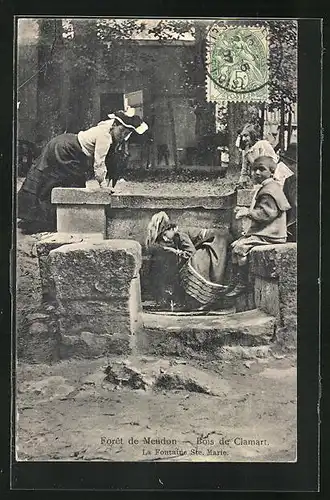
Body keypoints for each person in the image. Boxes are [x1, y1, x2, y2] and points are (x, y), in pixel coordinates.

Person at [17, 108, 148, 233]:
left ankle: (38, 220)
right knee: (68, 184)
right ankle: (43, 222)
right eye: (122, 131)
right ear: (115, 125)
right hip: (65, 149)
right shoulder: (105, 137)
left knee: (51, 181)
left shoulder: (108, 127)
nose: (123, 135)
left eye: (127, 133)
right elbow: (99, 163)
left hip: (63, 144)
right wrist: (102, 186)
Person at [226, 156, 291, 297]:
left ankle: (243, 283)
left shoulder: (270, 190)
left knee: (240, 248)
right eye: (254, 169)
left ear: (272, 171)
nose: (257, 173)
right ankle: (236, 280)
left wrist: (247, 212)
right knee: (234, 245)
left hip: (272, 234)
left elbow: (267, 214)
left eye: (262, 169)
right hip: (266, 232)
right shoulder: (268, 187)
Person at [146, 212, 231, 311]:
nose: (165, 238)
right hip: (211, 241)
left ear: (172, 229)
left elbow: (191, 253)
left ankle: (203, 301)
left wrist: (176, 252)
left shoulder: (180, 235)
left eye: (165, 234)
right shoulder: (174, 236)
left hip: (218, 239)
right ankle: (199, 301)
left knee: (196, 262)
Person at [237, 123, 278, 188]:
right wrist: (241, 181)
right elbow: (244, 170)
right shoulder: (247, 149)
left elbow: (261, 165)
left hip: (271, 178)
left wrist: (249, 156)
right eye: (242, 136)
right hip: (257, 179)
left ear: (252, 135)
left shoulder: (262, 144)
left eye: (246, 135)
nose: (244, 139)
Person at [280, 143, 297, 242]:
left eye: (291, 164)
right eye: (287, 163)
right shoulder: (289, 179)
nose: (288, 167)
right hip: (290, 224)